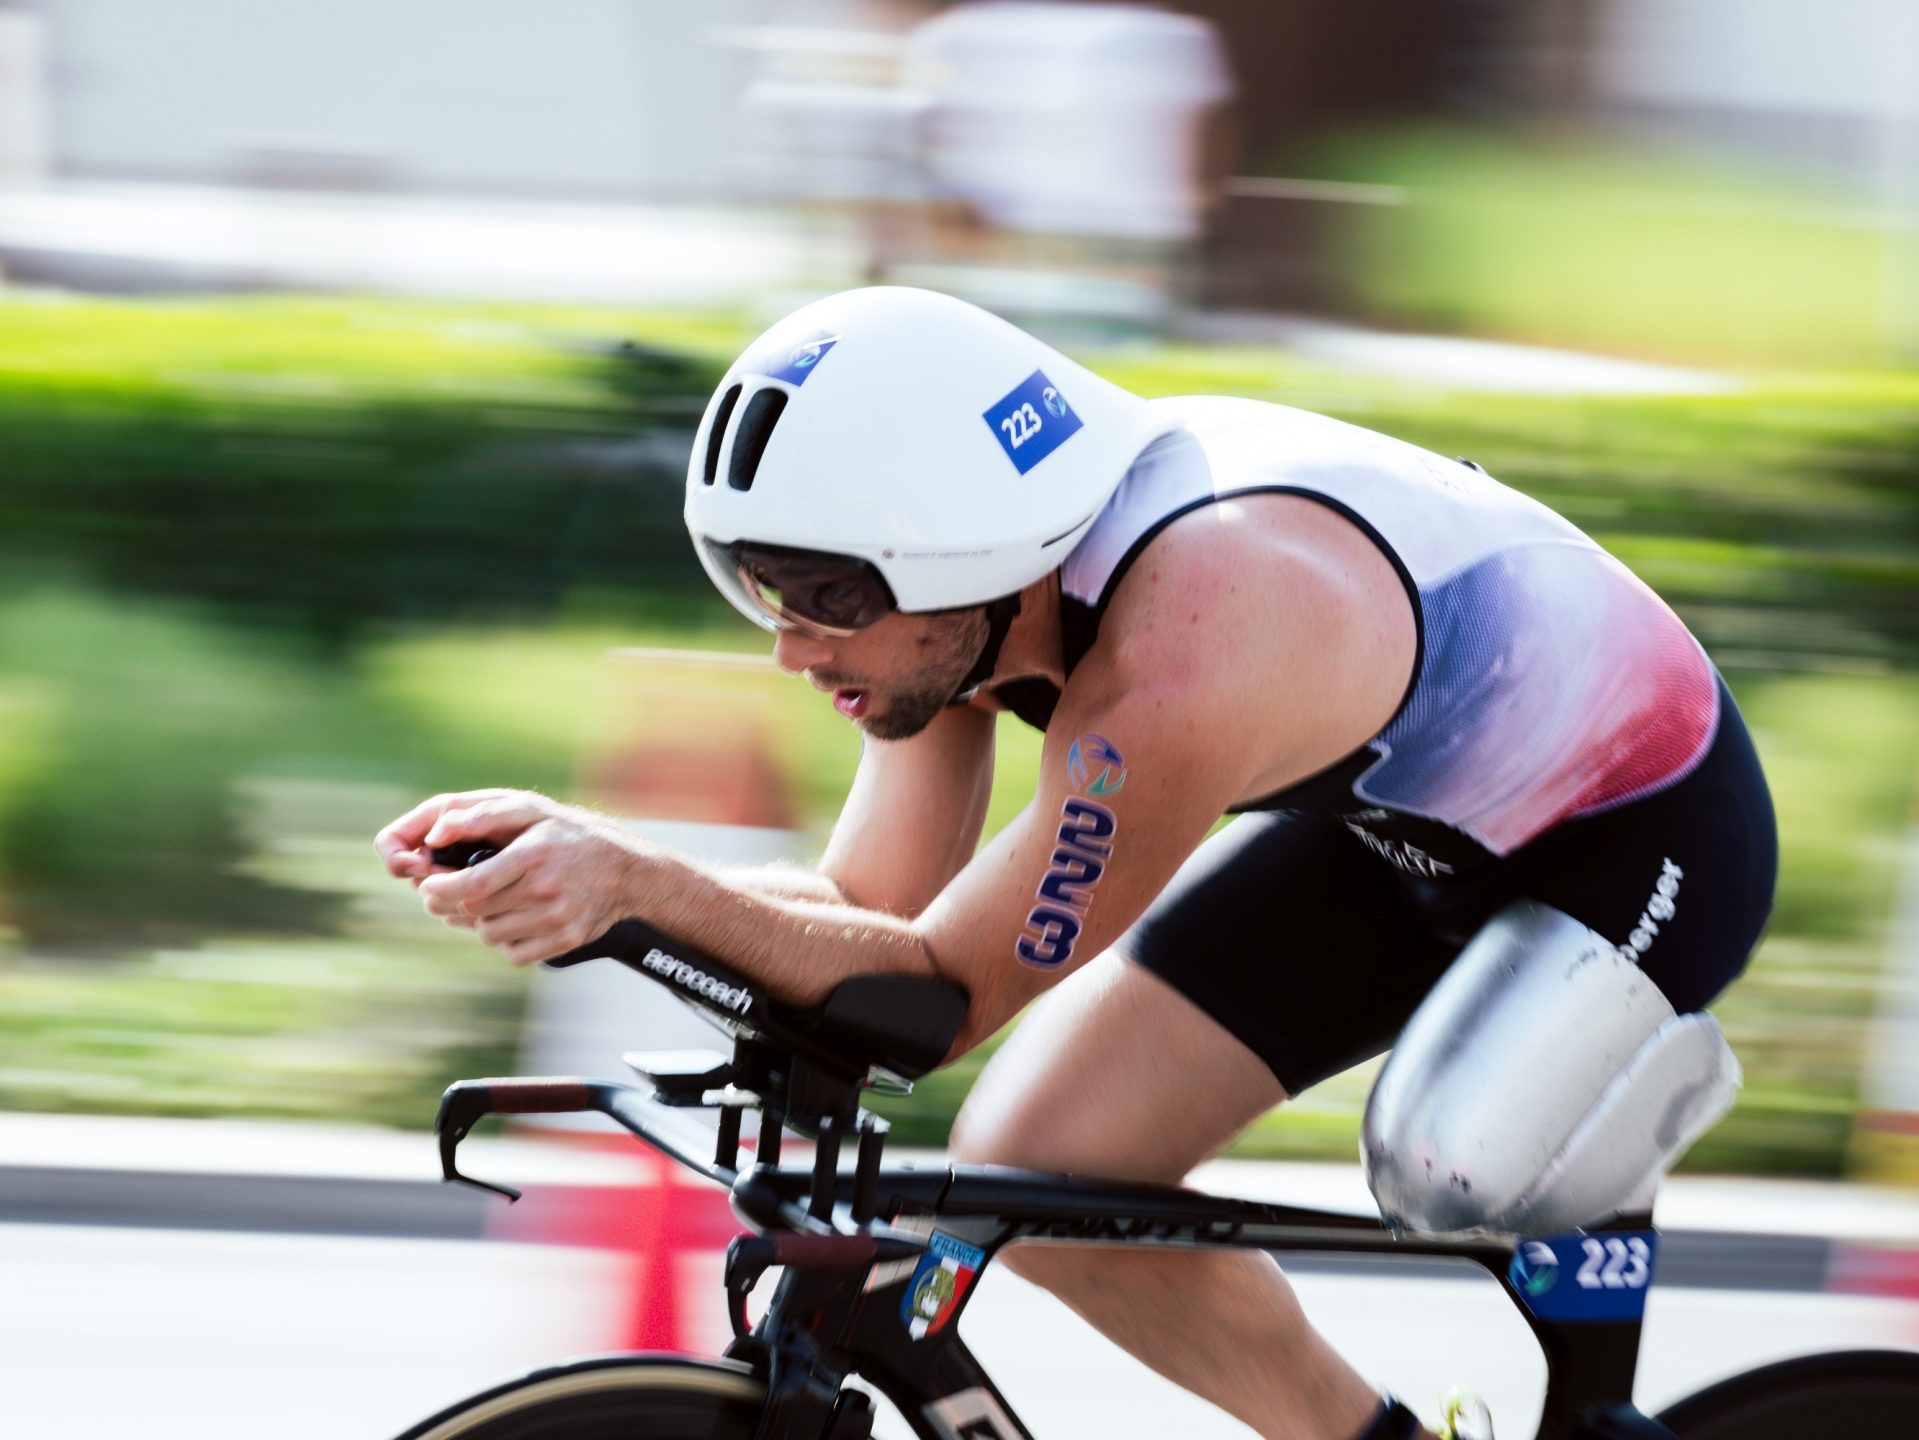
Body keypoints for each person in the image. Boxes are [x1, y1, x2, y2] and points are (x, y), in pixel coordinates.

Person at [376, 287, 1776, 1440]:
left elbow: (935, 995)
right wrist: (615, 893)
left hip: (1639, 834)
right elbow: (864, 913)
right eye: (761, 587)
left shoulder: (1182, 653)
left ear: (962, 554)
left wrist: (637, 884)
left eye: (825, 595)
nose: (792, 648)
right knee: (1040, 1167)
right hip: (1402, 827)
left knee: (1445, 1164)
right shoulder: (964, 608)